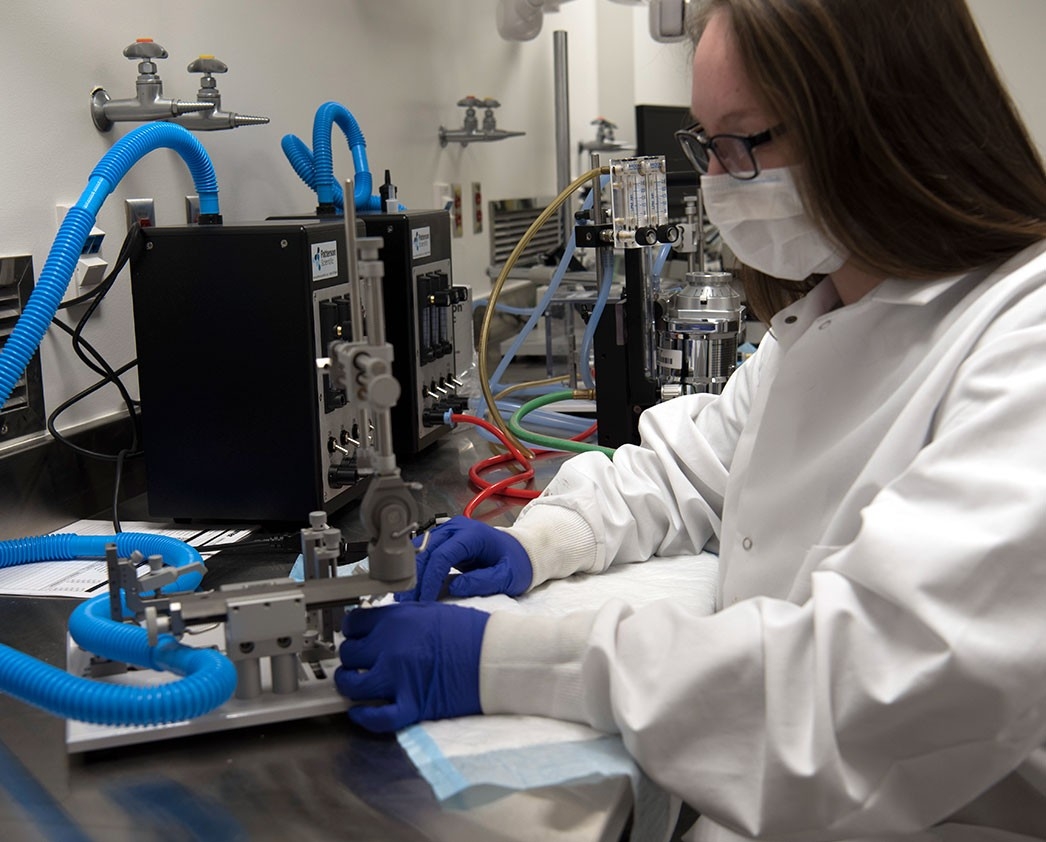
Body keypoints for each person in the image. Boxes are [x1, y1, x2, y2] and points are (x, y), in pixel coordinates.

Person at [335, 0, 1046, 838]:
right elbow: (689, 467)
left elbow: (856, 691)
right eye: (705, 144)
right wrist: (542, 540)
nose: (715, 180)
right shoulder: (831, 315)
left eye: (741, 142)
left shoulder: (1023, 348)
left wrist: (505, 661)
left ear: (878, 124)